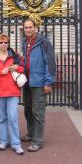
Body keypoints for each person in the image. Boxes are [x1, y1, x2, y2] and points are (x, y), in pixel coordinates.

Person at [0, 34, 24, 155]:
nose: (3, 45)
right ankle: (3, 141)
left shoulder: (14, 56)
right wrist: (1, 72)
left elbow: (23, 69)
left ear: (8, 43)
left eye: (5, 42)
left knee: (12, 117)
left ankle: (16, 144)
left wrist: (16, 68)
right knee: (2, 118)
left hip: (12, 91)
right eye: (1, 43)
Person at [22, 19, 56, 152]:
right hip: (27, 82)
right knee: (28, 110)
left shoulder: (44, 42)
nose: (28, 29)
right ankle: (31, 133)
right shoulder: (25, 42)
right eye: (26, 27)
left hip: (39, 82)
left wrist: (48, 82)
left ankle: (38, 140)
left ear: (35, 28)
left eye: (30, 27)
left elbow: (50, 63)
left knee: (38, 112)